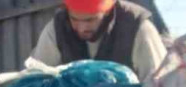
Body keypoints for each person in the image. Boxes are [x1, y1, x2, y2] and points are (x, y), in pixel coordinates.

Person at [29, 0, 167, 80]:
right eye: (74, 20)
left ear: (107, 12)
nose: (82, 28)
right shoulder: (56, 28)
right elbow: (35, 79)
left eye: (90, 20)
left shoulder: (138, 28)